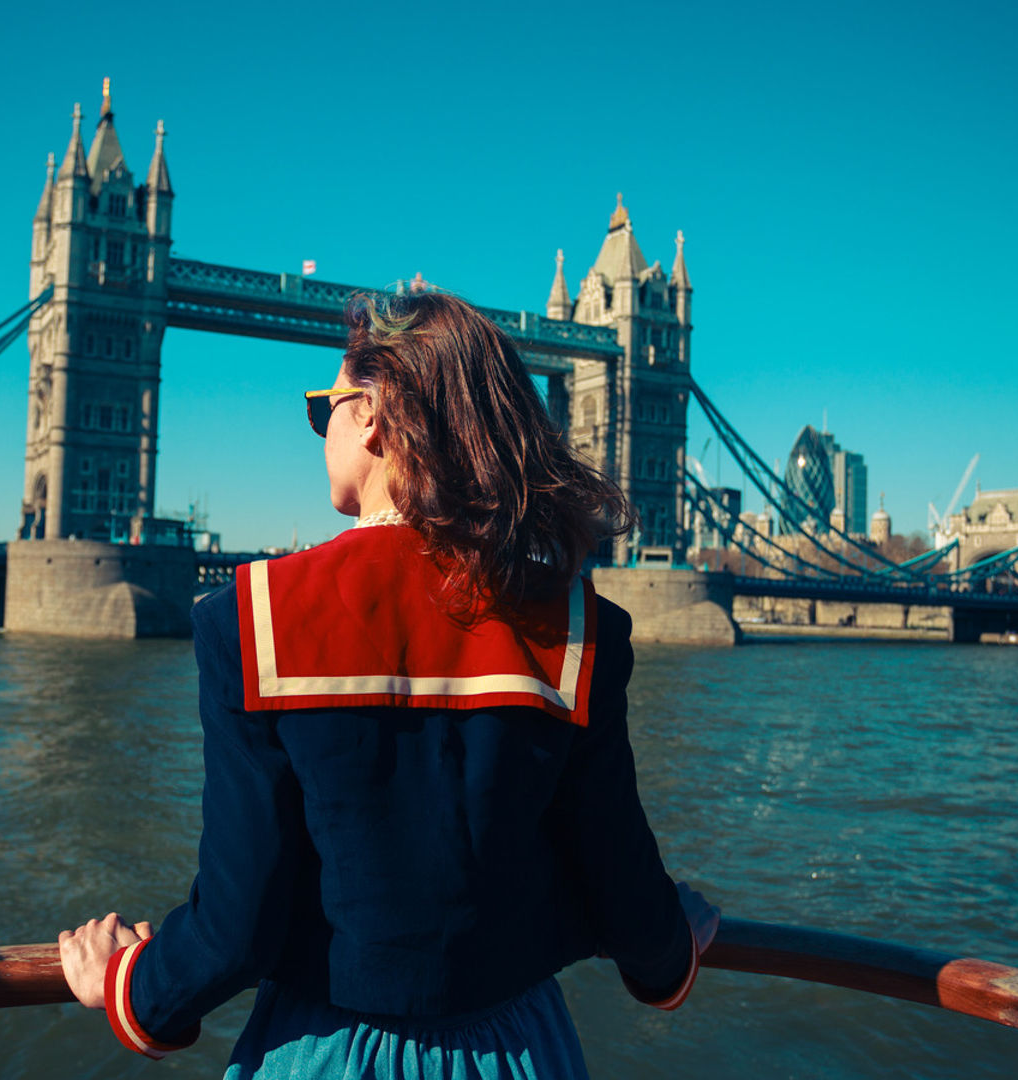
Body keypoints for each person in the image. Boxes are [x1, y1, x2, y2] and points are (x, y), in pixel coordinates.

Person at [58, 289, 720, 1077]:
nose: (319, 428)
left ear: (371, 414)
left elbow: (236, 927)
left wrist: (128, 985)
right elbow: (622, 883)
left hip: (326, 1050)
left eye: (324, 408)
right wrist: (672, 952)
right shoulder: (582, 629)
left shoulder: (251, 618)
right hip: (521, 1050)